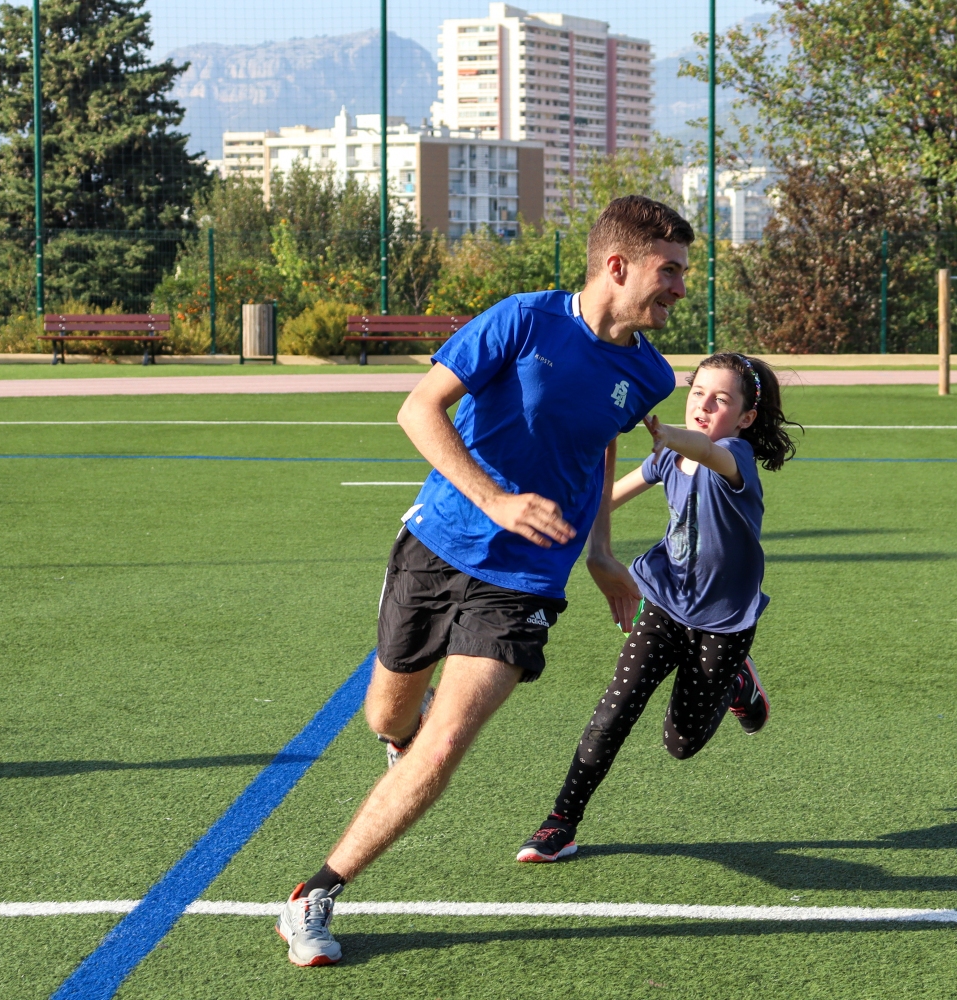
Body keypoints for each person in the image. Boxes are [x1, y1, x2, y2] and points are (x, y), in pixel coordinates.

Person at [272, 196, 690, 966]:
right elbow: (418, 410)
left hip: (527, 578)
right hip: (437, 544)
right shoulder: (521, 320)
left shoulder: (650, 372)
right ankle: (402, 738)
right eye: (669, 272)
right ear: (617, 265)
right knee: (386, 716)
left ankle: (314, 894)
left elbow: (601, 442)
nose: (679, 288)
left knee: (443, 747)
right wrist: (494, 499)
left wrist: (600, 550)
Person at [516, 352, 796, 863]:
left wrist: (665, 431)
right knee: (613, 711)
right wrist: (556, 516)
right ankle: (560, 822)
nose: (703, 405)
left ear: (746, 417)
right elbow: (608, 497)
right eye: (697, 393)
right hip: (665, 601)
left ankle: (738, 683)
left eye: (721, 400)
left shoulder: (734, 457)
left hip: (724, 623)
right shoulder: (669, 456)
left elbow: (702, 449)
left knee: (681, 743)